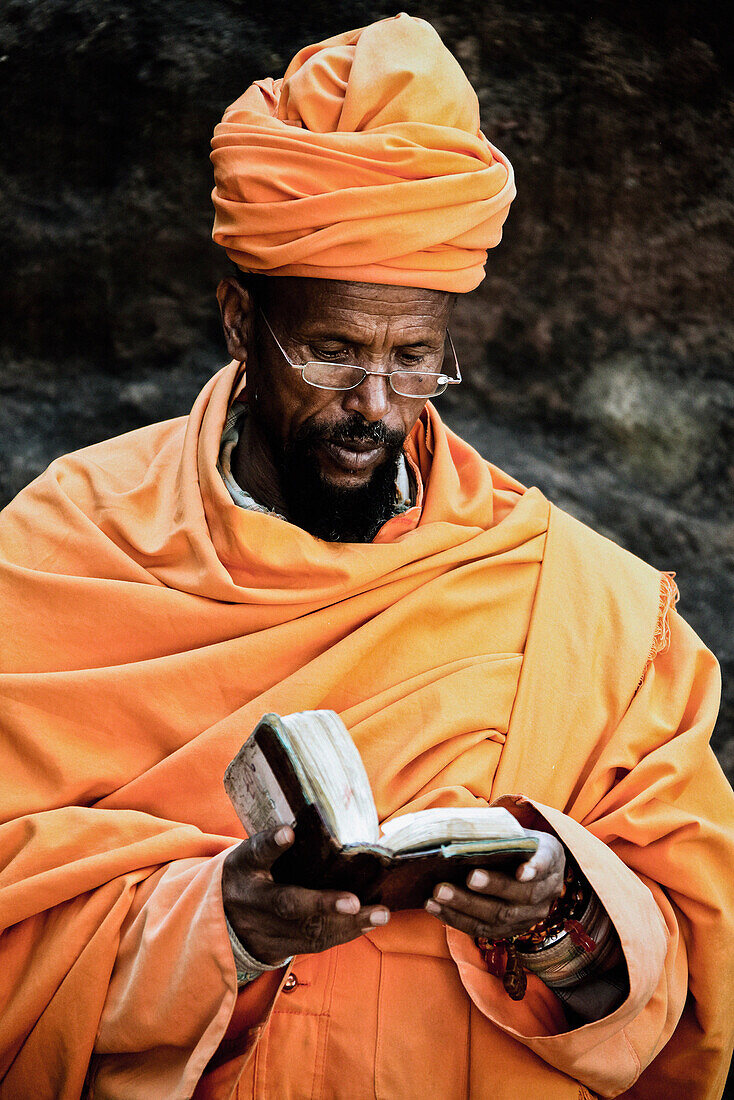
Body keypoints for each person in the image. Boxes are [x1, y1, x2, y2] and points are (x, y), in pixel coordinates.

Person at [0, 13, 731, 1100]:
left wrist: (558, 911)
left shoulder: (586, 606)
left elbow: (691, 972)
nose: (374, 405)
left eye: (415, 359)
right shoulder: (67, 547)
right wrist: (220, 922)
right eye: (334, 350)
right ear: (239, 320)